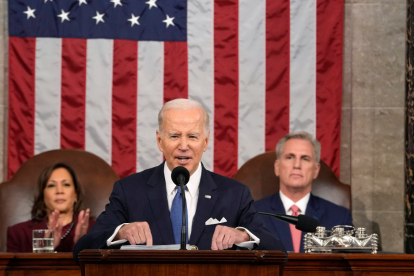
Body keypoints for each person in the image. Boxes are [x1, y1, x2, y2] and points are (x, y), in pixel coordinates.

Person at [74, 99, 286, 259]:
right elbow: (81, 250)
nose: (183, 145)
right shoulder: (129, 190)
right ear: (160, 140)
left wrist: (244, 237)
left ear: (205, 141)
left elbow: (278, 252)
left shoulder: (234, 194)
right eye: (174, 136)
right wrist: (120, 231)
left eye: (192, 136)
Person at [254, 131, 352, 253]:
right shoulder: (253, 214)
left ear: (316, 170)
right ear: (277, 167)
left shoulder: (339, 217)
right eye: (290, 157)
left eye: (305, 159)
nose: (297, 165)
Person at [7, 163, 94, 252]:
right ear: (42, 195)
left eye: (66, 184)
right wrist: (44, 249)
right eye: (51, 185)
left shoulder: (98, 230)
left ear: (76, 195)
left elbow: (101, 266)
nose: (59, 191)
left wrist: (82, 247)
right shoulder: (18, 233)